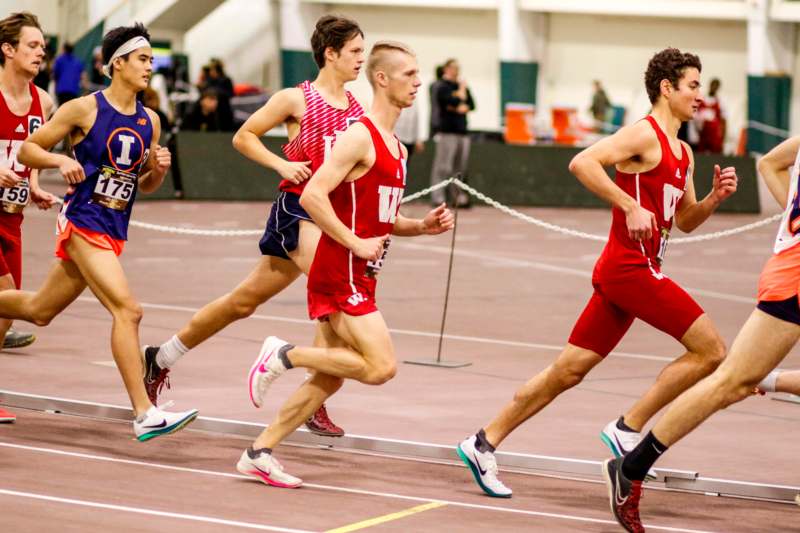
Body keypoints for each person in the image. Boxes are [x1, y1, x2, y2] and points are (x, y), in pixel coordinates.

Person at [456, 48, 738, 499]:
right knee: (712, 349)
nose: (699, 96)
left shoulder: (684, 152)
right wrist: (628, 204)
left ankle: (482, 442)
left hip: (633, 272)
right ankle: (629, 428)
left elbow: (684, 221)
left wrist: (712, 200)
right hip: (628, 268)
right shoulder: (642, 135)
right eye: (692, 86)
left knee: (567, 372)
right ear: (667, 89)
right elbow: (581, 162)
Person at [239, 41, 454, 488]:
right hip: (340, 271)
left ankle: (259, 452)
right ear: (382, 79)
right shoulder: (359, 135)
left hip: (364, 274)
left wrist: (421, 227)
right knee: (380, 367)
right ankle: (283, 354)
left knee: (331, 376)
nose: (418, 83)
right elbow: (314, 196)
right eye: (409, 74)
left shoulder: (398, 148)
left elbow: (382, 218)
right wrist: (355, 243)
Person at [141, 15, 366, 438]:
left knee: (243, 302)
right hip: (298, 212)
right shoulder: (296, 99)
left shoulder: (357, 110)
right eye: (354, 51)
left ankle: (160, 357)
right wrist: (283, 163)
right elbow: (244, 136)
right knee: (335, 301)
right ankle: (312, 389)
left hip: (330, 216)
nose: (361, 59)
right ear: (330, 54)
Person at [603, 134, 800, 532]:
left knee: (733, 380)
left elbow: (769, 164)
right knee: (727, 383)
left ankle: (763, 376)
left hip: (789, 263)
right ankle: (631, 466)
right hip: (794, 276)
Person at [15, 22, 198, 441]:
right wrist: (60, 162)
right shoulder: (83, 109)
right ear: (117, 64)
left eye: (152, 60)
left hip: (113, 227)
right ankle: (144, 413)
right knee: (128, 311)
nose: (150, 67)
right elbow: (29, 149)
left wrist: (157, 172)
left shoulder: (150, 120)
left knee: (40, 310)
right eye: (143, 59)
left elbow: (141, 187)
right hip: (82, 221)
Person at [0, 11, 59, 423]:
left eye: (42, 46)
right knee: (6, 293)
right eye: (32, 45)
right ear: (8, 49)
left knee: (8, 311)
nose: (41, 52)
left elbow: (32, 149)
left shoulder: (44, 101)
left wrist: (34, 182)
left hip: (13, 215)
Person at [429, 58, 474, 207]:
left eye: (458, 67)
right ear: (446, 69)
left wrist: (458, 103)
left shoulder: (460, 85)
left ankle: (458, 197)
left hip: (462, 131)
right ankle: (438, 197)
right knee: (443, 166)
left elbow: (471, 104)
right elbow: (449, 102)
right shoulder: (440, 86)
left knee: (460, 168)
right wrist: (460, 94)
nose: (457, 71)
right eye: (454, 67)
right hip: (446, 131)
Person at [695, 77, 726, 154]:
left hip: (714, 135)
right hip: (703, 133)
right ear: (710, 85)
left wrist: (723, 138)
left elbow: (724, 121)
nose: (714, 88)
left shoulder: (721, 102)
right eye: (713, 85)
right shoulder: (701, 99)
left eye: (716, 86)